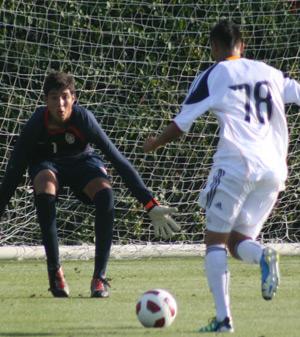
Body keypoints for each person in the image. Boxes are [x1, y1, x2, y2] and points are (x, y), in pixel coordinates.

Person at [143, 20, 300, 332]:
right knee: (237, 241)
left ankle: (223, 319)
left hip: (236, 165)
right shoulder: (269, 72)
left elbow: (182, 123)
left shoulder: (213, 74)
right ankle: (263, 255)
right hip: (274, 170)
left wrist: (155, 143)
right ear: (241, 46)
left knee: (214, 241)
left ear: (214, 47)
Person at [0, 71, 180, 298]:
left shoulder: (84, 119)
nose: (61, 104)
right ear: (46, 101)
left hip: (82, 163)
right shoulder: (36, 124)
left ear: (74, 98)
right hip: (48, 166)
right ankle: (55, 273)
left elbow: (118, 160)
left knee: (105, 194)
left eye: (65, 96)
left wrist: (150, 204)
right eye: (54, 97)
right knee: (44, 185)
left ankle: (99, 278)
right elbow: (14, 172)